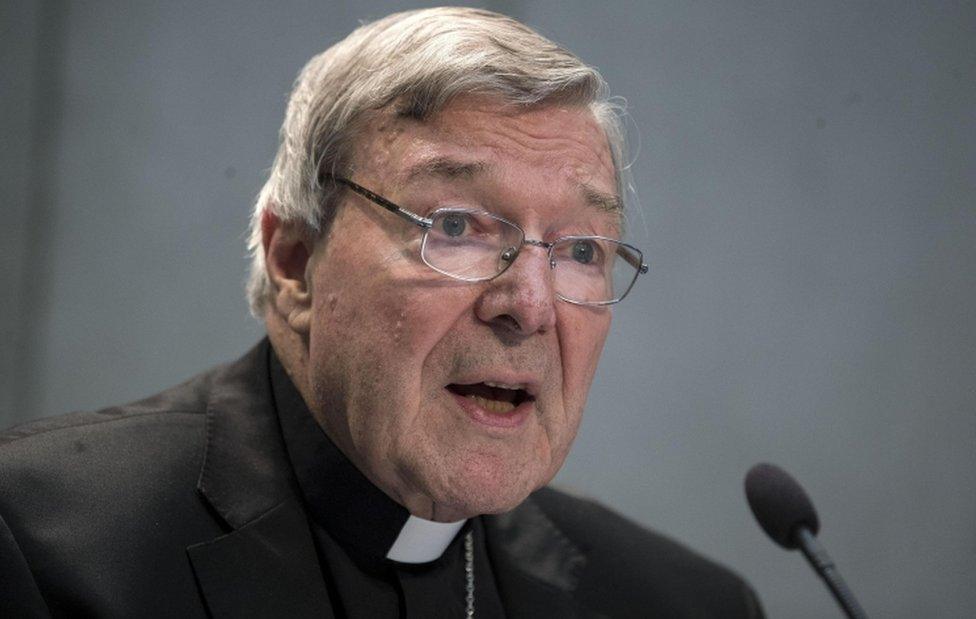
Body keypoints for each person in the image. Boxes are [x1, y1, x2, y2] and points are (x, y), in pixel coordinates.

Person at [0, 7, 763, 618]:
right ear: (295, 259)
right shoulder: (45, 544)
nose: (529, 305)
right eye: (457, 226)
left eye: (582, 248)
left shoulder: (683, 602)